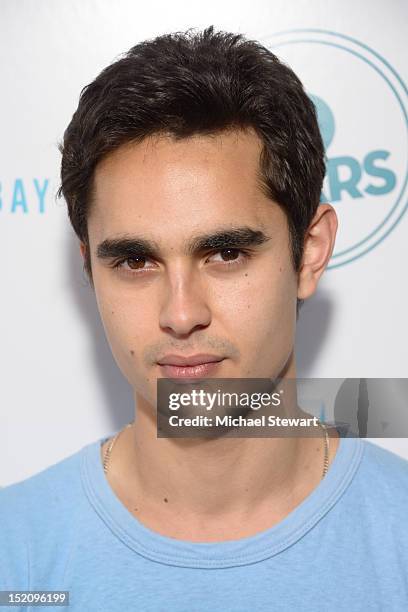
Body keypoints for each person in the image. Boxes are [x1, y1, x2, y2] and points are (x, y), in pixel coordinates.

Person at [1, 26, 407, 611]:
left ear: (310, 252)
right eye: (136, 261)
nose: (181, 314)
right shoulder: (16, 552)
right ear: (89, 268)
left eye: (226, 253)